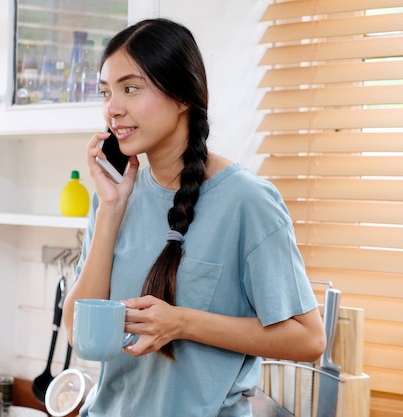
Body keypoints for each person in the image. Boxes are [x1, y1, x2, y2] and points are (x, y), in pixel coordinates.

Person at [61, 18, 327, 416]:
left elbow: (308, 339)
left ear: (183, 95)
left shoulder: (246, 201)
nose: (112, 109)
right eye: (105, 92)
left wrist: (182, 323)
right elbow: (77, 333)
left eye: (130, 89)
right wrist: (112, 210)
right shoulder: (114, 195)